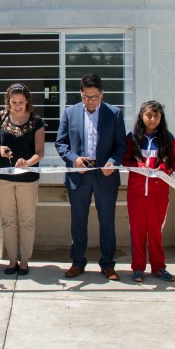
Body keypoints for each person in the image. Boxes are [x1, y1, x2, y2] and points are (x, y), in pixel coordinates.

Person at [55, 74, 126, 280]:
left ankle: (108, 264)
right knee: (78, 221)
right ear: (80, 94)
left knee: (107, 220)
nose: (90, 101)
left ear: (102, 94)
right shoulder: (70, 112)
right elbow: (61, 143)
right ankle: (77, 262)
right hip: (79, 174)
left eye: (94, 97)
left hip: (105, 174)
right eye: (86, 97)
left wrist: (113, 162)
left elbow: (121, 145)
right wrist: (74, 160)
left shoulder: (114, 113)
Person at [0, 83, 46, 276]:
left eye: (21, 102)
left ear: (27, 101)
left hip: (28, 178)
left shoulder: (37, 121)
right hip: (3, 177)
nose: (18, 106)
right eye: (14, 102)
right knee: (8, 220)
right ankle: (12, 260)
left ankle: (25, 261)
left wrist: (28, 162)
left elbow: (40, 152)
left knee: (27, 220)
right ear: (8, 102)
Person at [122, 101, 175, 283]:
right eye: (148, 115)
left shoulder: (168, 138)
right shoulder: (132, 137)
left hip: (158, 193)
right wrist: (139, 166)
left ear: (161, 118)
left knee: (156, 232)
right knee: (137, 231)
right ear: (141, 116)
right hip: (136, 193)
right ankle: (138, 268)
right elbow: (125, 160)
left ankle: (158, 267)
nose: (152, 119)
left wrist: (162, 169)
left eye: (156, 116)